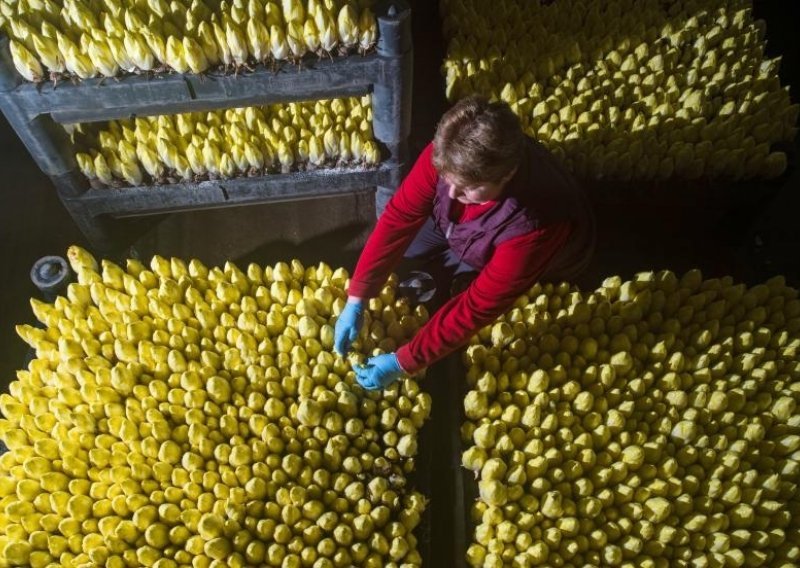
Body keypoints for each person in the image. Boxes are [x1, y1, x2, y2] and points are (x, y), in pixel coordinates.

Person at [335, 95, 596, 390]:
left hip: (542, 256)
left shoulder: (534, 226)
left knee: (469, 288)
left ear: (507, 174)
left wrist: (404, 361)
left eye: (470, 189)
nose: (453, 192)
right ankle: (460, 254)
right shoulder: (449, 154)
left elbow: (474, 309)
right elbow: (400, 217)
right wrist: (358, 295)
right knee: (411, 246)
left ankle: (465, 265)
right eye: (448, 180)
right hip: (461, 228)